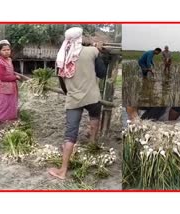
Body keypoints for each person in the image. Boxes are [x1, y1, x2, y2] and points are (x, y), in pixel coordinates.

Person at [48, 27, 106, 180]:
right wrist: (98, 50)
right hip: (93, 96)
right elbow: (102, 73)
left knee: (70, 134)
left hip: (74, 99)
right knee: (94, 119)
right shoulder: (91, 51)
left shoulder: (62, 56)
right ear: (80, 38)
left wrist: (70, 93)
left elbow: (61, 81)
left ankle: (63, 170)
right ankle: (92, 144)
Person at [0, 40, 21, 141]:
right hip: (3, 89)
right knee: (0, 109)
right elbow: (2, 77)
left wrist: (14, 77)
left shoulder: (9, 60)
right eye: (4, 50)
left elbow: (9, 72)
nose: (7, 52)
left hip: (11, 88)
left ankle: (5, 129)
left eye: (8, 50)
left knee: (11, 108)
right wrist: (15, 77)